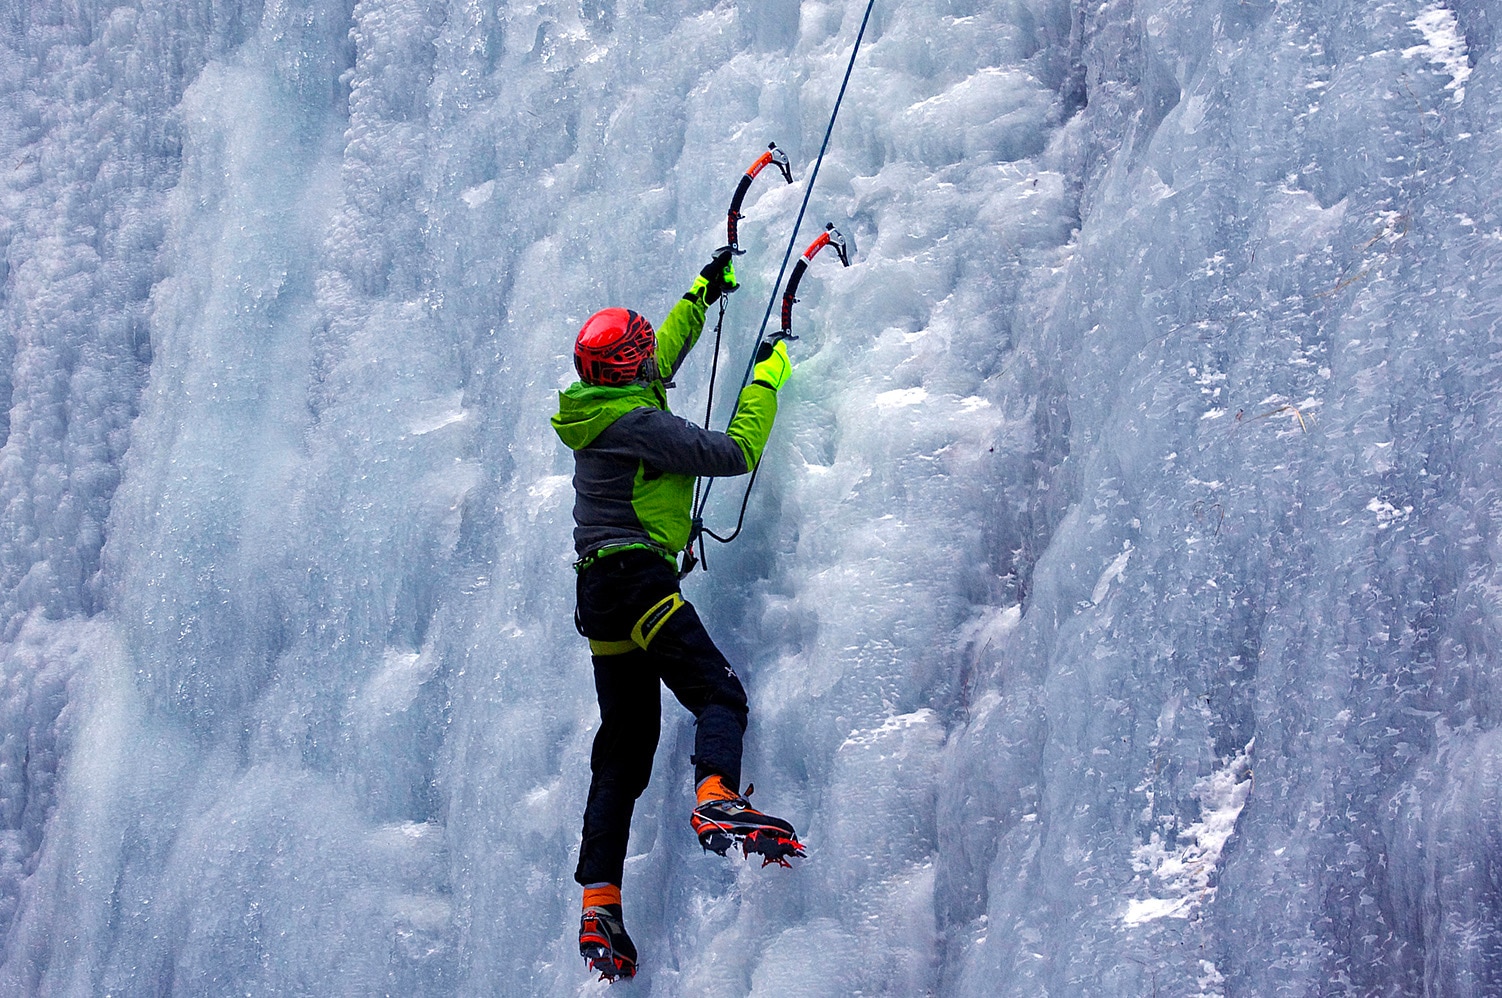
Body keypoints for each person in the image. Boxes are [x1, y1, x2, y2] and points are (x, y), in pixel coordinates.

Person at [550, 247, 803, 982]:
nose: (644, 358)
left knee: (624, 748)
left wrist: (705, 287)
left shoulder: (598, 404)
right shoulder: (639, 423)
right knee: (717, 691)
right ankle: (716, 798)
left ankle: (600, 903)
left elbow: (662, 349)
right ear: (619, 369)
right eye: (633, 353)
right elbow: (734, 451)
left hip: (600, 598)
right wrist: (767, 375)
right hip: (636, 580)